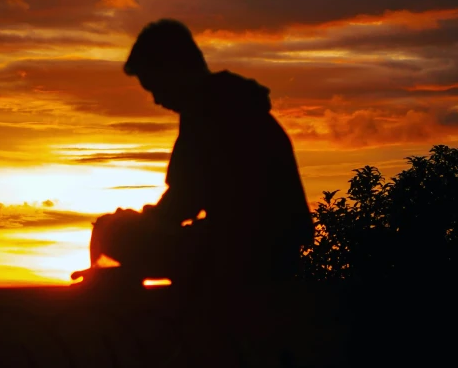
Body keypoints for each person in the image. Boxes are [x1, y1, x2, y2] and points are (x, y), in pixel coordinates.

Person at [71, 19, 313, 289]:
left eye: (154, 86)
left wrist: (132, 223)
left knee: (113, 232)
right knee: (131, 232)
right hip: (270, 249)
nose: (156, 99)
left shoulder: (209, 111)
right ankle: (117, 277)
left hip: (246, 252)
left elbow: (182, 202)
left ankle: (111, 286)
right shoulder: (232, 103)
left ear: (172, 69)